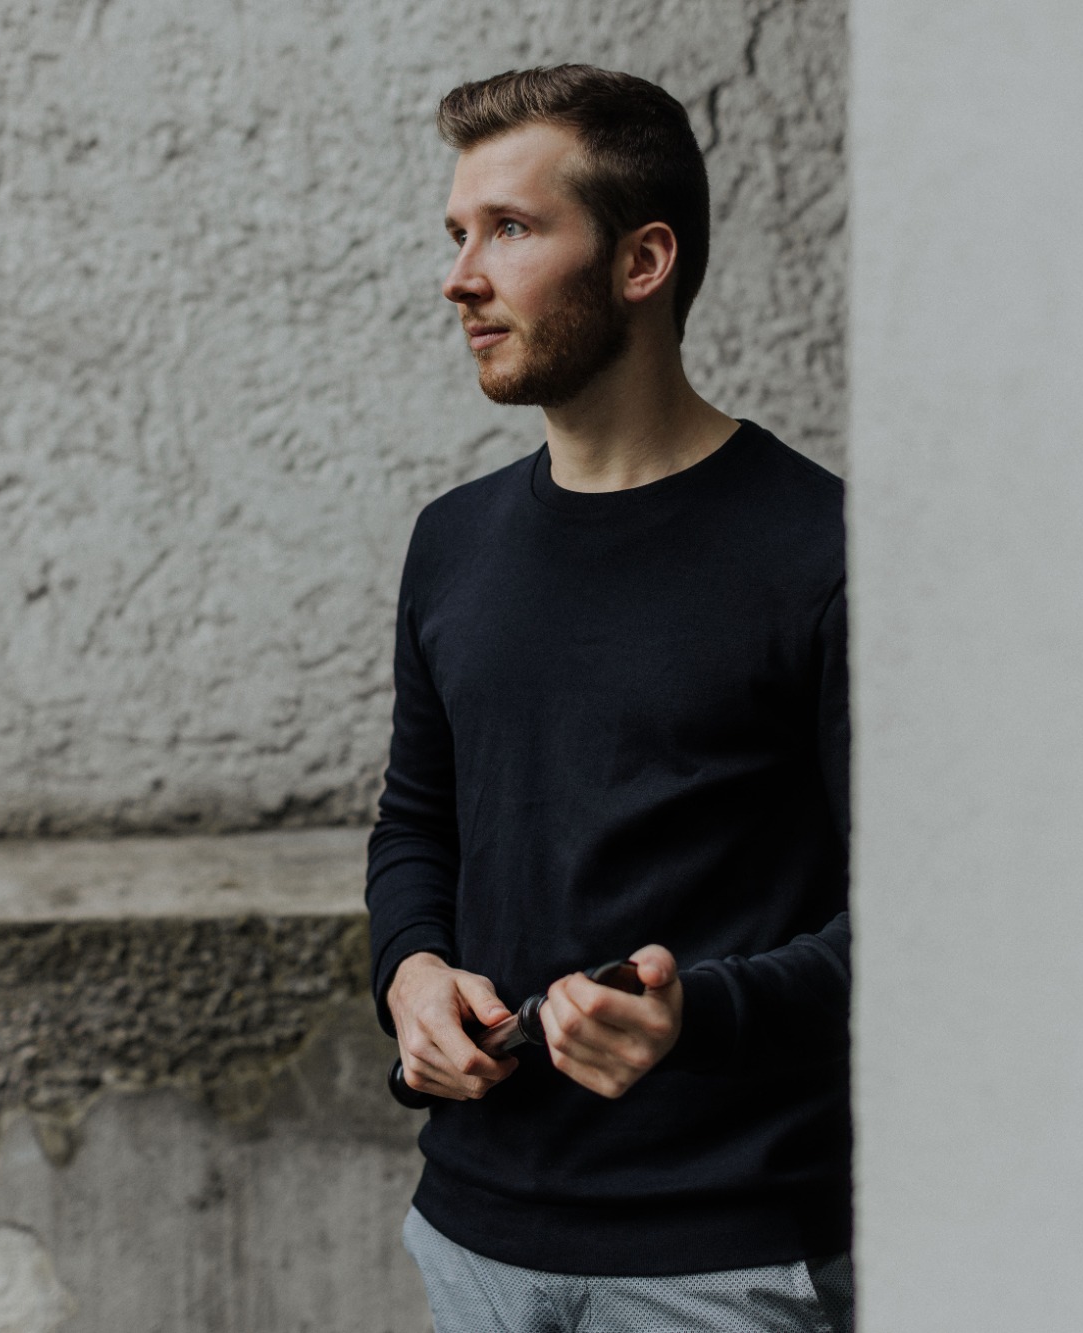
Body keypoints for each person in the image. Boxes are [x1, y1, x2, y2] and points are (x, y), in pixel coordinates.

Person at [366, 65, 853, 1332]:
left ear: (642, 261)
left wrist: (701, 1014)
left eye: (509, 229)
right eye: (456, 234)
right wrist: (410, 973)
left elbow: (928, 929)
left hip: (719, 1257)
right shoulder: (451, 544)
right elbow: (416, 823)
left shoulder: (828, 555)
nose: (459, 278)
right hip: (471, 1235)